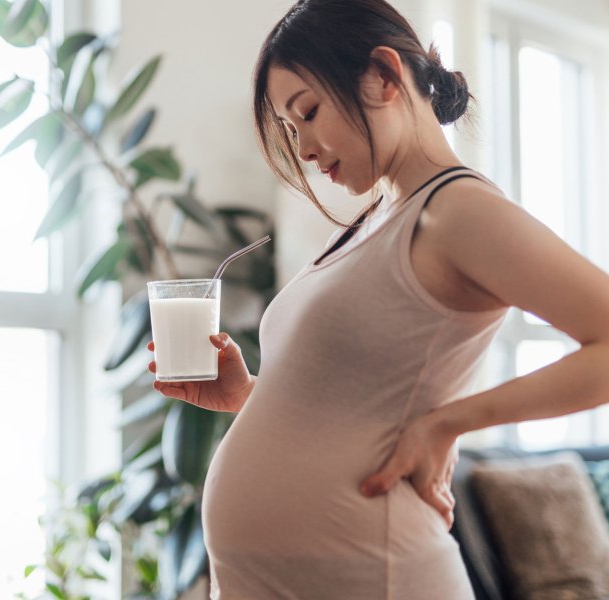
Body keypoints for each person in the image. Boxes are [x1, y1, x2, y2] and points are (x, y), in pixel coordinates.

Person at [147, 0, 609, 597]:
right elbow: (354, 408)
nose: (305, 150)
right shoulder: (374, 219)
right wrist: (249, 398)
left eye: (307, 113)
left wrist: (448, 425)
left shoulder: (458, 211)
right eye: (291, 131)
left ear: (383, 76)